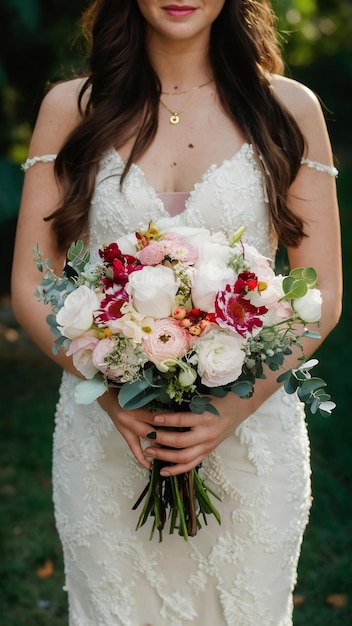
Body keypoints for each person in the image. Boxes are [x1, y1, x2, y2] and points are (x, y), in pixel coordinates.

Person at [11, 1, 342, 624]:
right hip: (107, 439)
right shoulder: (70, 109)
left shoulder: (290, 109)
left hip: (251, 437)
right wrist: (109, 399)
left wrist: (231, 412)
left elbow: (320, 295)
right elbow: (33, 281)